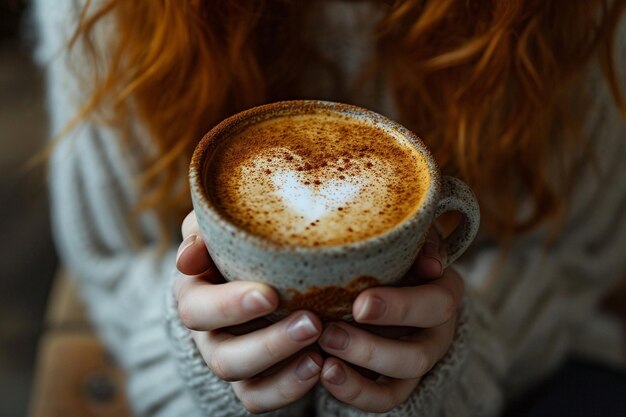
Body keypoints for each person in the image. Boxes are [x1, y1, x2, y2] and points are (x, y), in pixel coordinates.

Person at [34, 0, 626, 416]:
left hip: (530, 357)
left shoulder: (576, 14)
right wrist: (200, 361)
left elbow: (576, 251)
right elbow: (117, 254)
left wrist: (457, 357)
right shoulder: (104, 10)